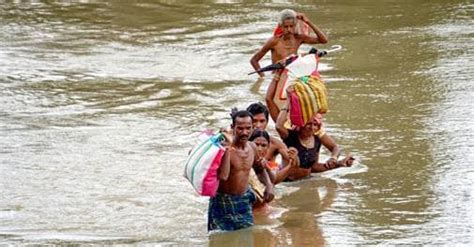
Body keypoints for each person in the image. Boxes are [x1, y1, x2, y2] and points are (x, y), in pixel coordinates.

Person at [208, 110, 274, 232]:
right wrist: (227, 149)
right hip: (223, 202)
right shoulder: (222, 148)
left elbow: (259, 170)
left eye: (248, 128)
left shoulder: (252, 147)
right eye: (240, 128)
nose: (245, 132)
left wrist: (269, 185)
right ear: (233, 127)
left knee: (246, 238)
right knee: (221, 240)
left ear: (253, 128)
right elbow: (223, 176)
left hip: (244, 201)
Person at [275, 87, 354, 181]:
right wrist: (288, 99)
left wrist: (336, 161)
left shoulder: (317, 138)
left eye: (315, 124)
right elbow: (279, 126)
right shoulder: (290, 136)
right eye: (308, 124)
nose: (312, 128)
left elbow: (314, 167)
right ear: (301, 124)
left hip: (306, 182)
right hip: (287, 183)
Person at [250, 9, 328, 77]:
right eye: (286, 27)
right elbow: (254, 60)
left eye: (291, 26)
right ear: (280, 26)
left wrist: (308, 22)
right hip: (277, 76)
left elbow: (323, 40)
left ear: (295, 26)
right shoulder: (274, 41)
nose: (289, 29)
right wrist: (262, 77)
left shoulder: (299, 38)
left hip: (292, 73)